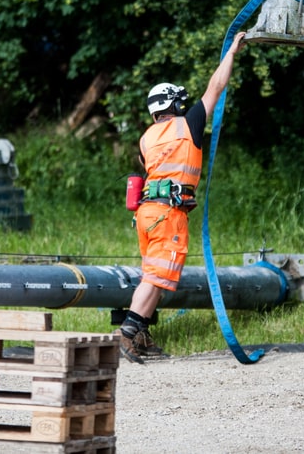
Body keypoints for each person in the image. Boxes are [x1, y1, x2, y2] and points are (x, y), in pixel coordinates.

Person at [119, 32, 247, 363]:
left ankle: (141, 335)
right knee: (155, 278)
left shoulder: (146, 138)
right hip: (168, 215)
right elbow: (216, 87)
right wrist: (232, 52)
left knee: (156, 277)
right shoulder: (187, 125)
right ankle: (127, 333)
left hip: (146, 214)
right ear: (173, 105)